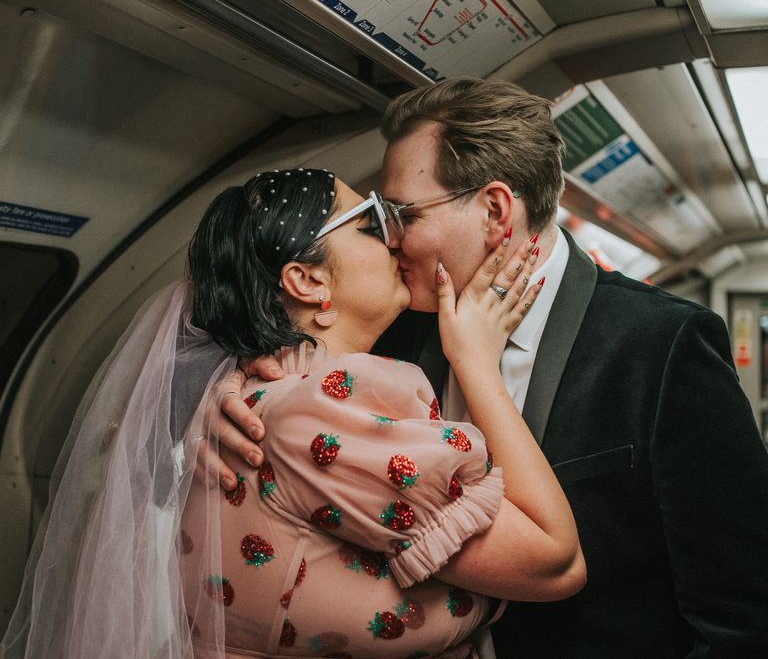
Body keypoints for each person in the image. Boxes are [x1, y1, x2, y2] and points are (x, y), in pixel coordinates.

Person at [211, 79, 768, 658]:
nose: (391, 239)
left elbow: (742, 609)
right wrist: (218, 405)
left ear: (496, 211)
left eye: (401, 213)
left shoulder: (661, 342)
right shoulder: (394, 323)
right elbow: (281, 369)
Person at [1, 168, 584, 659]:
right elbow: (553, 565)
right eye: (370, 225)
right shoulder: (324, 404)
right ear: (306, 280)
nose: (397, 239)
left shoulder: (256, 395)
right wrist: (476, 363)